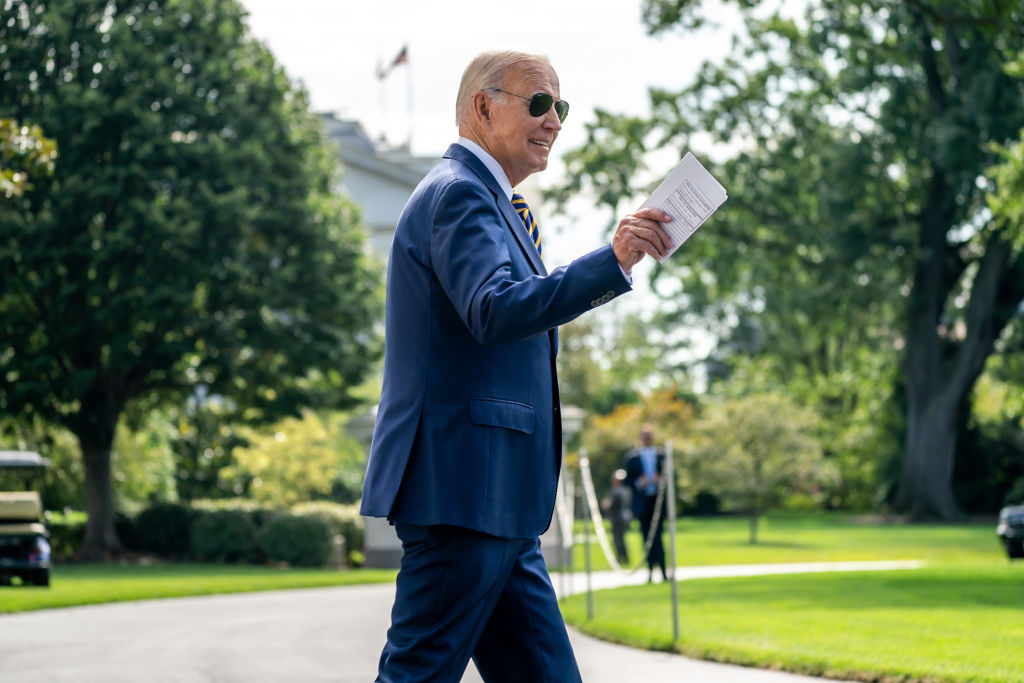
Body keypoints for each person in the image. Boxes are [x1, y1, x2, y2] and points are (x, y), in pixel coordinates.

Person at [359, 50, 673, 682]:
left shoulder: (495, 204)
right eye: (537, 103)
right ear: (483, 106)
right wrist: (611, 261)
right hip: (463, 495)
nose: (553, 120)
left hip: (499, 501)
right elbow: (495, 309)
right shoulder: (458, 195)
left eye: (559, 106)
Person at [624, 423, 668, 583]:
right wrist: (638, 483)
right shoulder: (633, 457)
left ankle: (663, 572)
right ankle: (649, 571)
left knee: (659, 537)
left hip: (658, 502)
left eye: (649, 435)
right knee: (646, 537)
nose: (647, 438)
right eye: (645, 435)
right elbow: (627, 481)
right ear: (640, 437)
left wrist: (660, 480)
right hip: (642, 503)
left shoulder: (662, 454)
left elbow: (671, 476)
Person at [602, 469, 632, 565]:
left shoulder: (616, 491)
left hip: (618, 517)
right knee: (621, 538)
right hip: (626, 516)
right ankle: (624, 557)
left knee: (618, 539)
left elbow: (612, 505)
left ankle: (621, 557)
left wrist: (606, 505)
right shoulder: (627, 490)